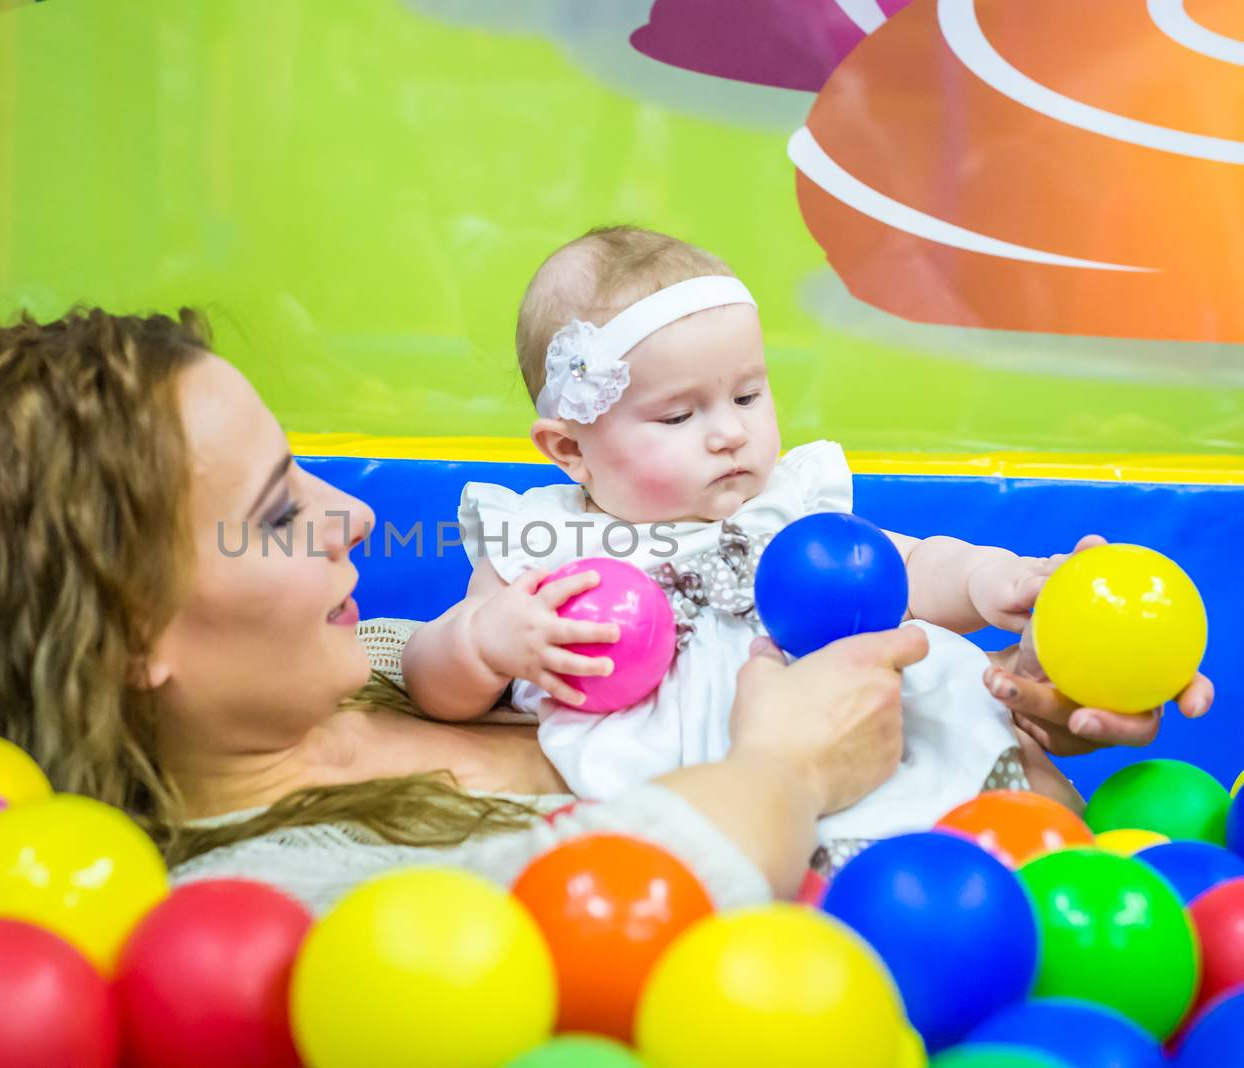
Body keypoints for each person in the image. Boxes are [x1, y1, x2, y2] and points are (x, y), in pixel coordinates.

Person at [0, 307, 1207, 913]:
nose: (359, 516)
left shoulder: (391, 663)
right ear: (132, 637)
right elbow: (576, 932)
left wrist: (992, 710)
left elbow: (743, 648)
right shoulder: (248, 895)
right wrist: (788, 770)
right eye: (275, 513)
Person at [400, 226, 1215, 867]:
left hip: (877, 723)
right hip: (708, 785)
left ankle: (1059, 876)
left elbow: (906, 563)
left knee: (1015, 773)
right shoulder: (540, 540)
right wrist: (484, 640)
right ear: (570, 450)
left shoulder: (787, 502)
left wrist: (987, 578)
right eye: (679, 416)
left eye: (748, 394)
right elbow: (429, 682)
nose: (728, 433)